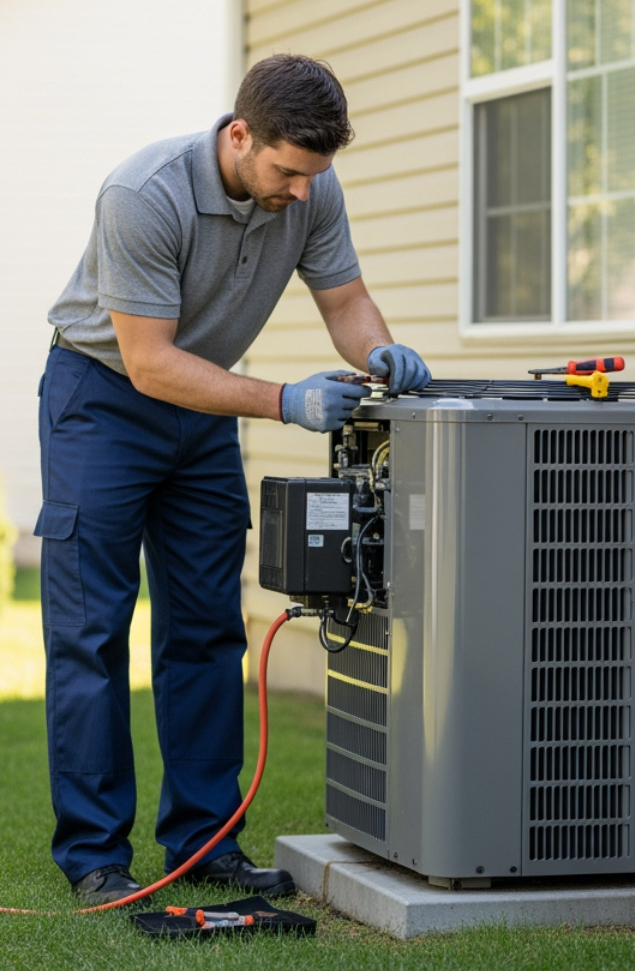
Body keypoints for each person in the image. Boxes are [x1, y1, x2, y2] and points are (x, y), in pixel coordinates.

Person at [37, 54, 431, 905]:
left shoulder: (312, 190)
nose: (299, 192)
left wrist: (380, 353)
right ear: (240, 134)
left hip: (205, 403)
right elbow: (147, 363)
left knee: (206, 629)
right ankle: (95, 857)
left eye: (312, 176)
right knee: (91, 634)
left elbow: (344, 301)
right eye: (286, 172)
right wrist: (286, 401)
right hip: (102, 400)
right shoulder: (145, 194)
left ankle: (206, 843)